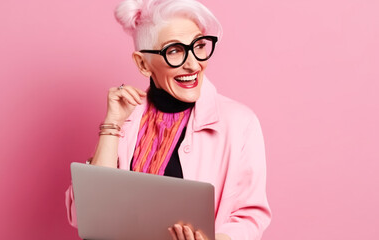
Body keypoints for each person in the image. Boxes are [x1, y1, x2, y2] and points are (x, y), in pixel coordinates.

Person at [65, 0, 271, 239]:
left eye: (198, 45)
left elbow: (250, 215)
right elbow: (88, 214)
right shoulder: (127, 117)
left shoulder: (239, 123)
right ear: (143, 63)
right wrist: (111, 125)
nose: (193, 64)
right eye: (174, 51)